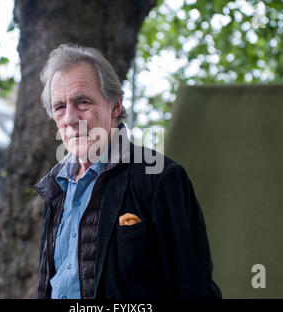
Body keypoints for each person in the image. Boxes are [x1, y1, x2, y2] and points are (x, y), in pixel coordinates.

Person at [33, 43, 222, 299]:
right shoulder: (56, 188)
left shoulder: (161, 179)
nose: (69, 118)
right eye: (59, 107)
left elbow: (194, 290)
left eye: (83, 102)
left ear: (115, 107)